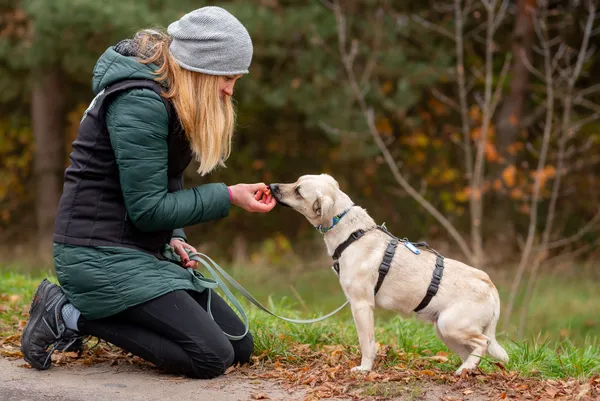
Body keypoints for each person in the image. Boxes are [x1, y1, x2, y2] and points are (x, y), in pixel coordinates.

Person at [20, 6, 276, 379]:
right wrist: (229, 196)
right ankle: (68, 314)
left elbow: (164, 179)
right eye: (228, 77)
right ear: (202, 67)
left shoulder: (171, 96)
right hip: (96, 255)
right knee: (210, 357)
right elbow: (148, 208)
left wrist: (174, 236)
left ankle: (89, 313)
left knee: (239, 346)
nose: (230, 89)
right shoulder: (139, 101)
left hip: (138, 252)